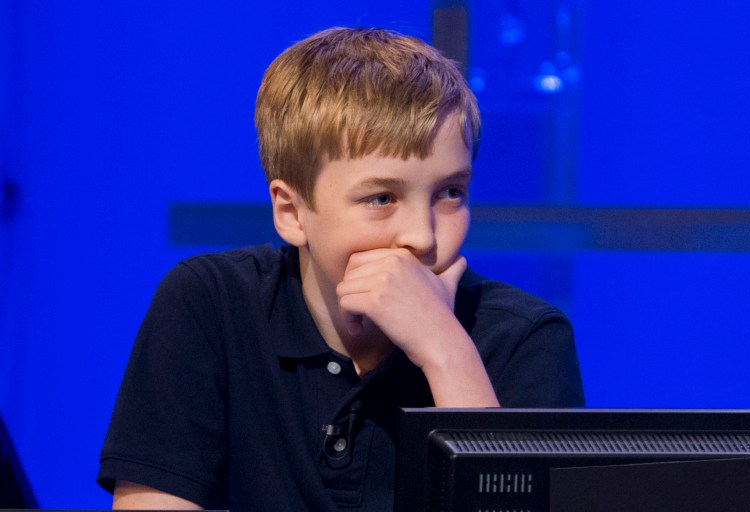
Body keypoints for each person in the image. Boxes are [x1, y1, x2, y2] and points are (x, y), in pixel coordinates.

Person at [97, 27, 584, 511]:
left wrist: (447, 351)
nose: (422, 236)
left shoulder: (526, 337)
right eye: (382, 198)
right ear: (292, 213)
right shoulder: (212, 304)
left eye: (451, 192)